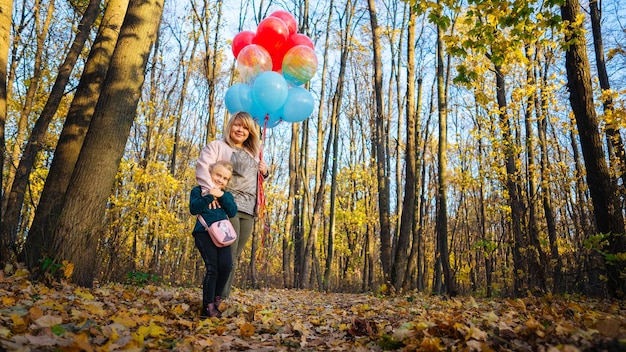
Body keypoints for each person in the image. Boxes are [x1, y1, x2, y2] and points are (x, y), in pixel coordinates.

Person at [196, 111, 269, 298]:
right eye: (237, 125)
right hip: (228, 207)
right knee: (227, 254)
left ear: (250, 132)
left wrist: (265, 172)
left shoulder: (253, 153)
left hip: (249, 209)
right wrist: (209, 194)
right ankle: (217, 299)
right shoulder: (217, 146)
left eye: (245, 127)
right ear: (230, 126)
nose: (241, 130)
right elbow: (204, 170)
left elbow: (252, 180)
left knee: (234, 257)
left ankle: (221, 297)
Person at [190, 160, 238, 318]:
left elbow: (232, 212)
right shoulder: (199, 191)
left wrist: (221, 196)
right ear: (209, 173)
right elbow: (194, 208)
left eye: (225, 178)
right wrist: (210, 196)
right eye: (218, 175)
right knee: (213, 268)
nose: (220, 180)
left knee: (226, 266)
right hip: (203, 233)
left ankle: (216, 300)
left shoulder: (227, 195)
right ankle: (208, 307)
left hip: (222, 236)